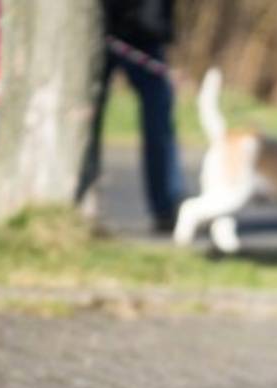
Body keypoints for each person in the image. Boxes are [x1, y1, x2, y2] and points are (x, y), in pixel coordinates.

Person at [85, 0, 187, 234]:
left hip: (145, 30)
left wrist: (156, 21)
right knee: (85, 121)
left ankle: (166, 205)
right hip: (98, 28)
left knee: (159, 121)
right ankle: (81, 200)